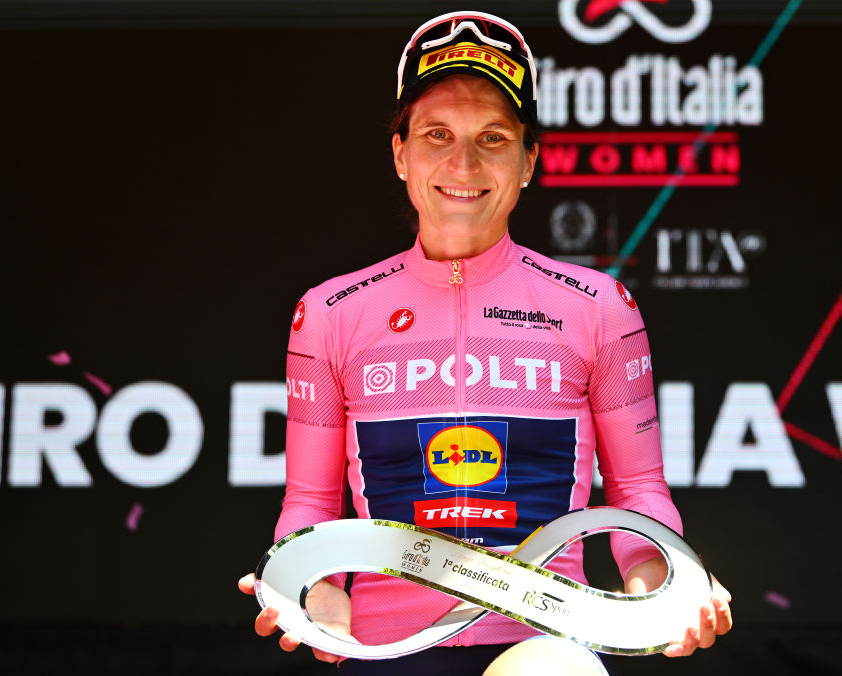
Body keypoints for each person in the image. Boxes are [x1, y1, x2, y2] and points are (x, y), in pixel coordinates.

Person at [238, 11, 732, 675]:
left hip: (544, 648)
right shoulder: (330, 313)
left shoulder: (598, 308)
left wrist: (670, 590)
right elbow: (309, 505)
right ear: (400, 154)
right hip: (387, 652)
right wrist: (311, 589)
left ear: (529, 160)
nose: (462, 163)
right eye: (437, 134)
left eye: (492, 137)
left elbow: (638, 493)